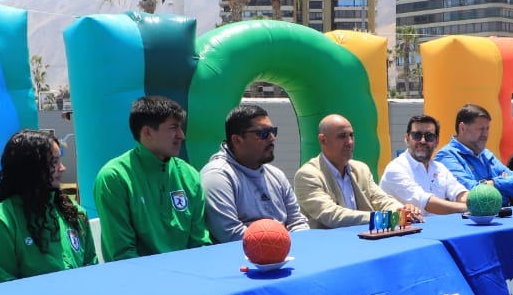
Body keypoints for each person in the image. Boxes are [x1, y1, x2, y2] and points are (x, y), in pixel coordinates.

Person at [93, 95, 209, 261]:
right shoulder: (115, 178)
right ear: (147, 132)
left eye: (180, 128)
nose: (181, 135)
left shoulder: (189, 175)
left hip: (190, 276)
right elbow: (123, 253)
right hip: (136, 281)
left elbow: (200, 243)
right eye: (173, 128)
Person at [0, 130, 97, 284]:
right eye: (54, 162)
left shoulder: (74, 212)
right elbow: (2, 287)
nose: (62, 168)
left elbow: (91, 268)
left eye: (60, 160)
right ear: (30, 168)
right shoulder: (0, 221)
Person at [201, 104, 309, 242]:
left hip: (285, 252)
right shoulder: (217, 176)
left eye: (273, 131)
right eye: (263, 133)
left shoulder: (276, 175)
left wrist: (300, 244)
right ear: (237, 140)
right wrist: (281, 241)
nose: (272, 138)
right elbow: (230, 234)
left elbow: (297, 221)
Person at [295, 114, 424, 228]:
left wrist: (401, 211)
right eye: (342, 136)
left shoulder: (361, 169)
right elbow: (331, 215)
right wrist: (387, 219)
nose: (349, 142)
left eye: (351, 135)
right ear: (323, 140)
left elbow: (381, 199)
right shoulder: (308, 175)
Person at [433, 103, 513, 205]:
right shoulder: (446, 157)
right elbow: (473, 193)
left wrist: (492, 183)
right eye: (481, 129)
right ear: (462, 128)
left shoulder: (486, 154)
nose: (485, 134)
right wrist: (503, 184)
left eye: (487, 129)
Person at [378, 114, 469, 214]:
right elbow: (427, 203)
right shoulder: (396, 169)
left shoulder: (440, 168)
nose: (422, 141)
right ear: (407, 139)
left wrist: (478, 202)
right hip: (409, 229)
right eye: (416, 136)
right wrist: (469, 208)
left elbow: (459, 193)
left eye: (429, 137)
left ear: (437, 141)